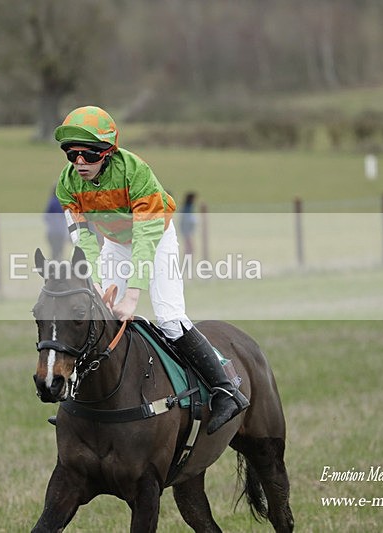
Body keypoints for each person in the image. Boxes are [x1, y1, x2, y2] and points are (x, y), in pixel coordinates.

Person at [53, 105, 248, 434]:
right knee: (99, 316)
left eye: (89, 154)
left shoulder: (136, 173)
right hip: (114, 242)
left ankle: (226, 389)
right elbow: (83, 238)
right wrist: (97, 282)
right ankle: (82, 404)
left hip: (156, 237)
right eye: (72, 155)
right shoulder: (68, 184)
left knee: (169, 319)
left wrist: (131, 294)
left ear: (108, 152)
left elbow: (145, 238)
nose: (80, 162)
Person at [43, 186, 67, 260]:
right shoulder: (64, 201)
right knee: (59, 251)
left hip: (51, 232)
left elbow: (46, 217)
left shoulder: (52, 202)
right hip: (61, 232)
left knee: (54, 251)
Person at [179, 191, 197, 260]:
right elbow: (187, 220)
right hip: (187, 231)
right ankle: (186, 264)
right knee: (189, 249)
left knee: (189, 249)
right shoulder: (187, 208)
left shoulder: (187, 207)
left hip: (187, 231)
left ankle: (186, 264)